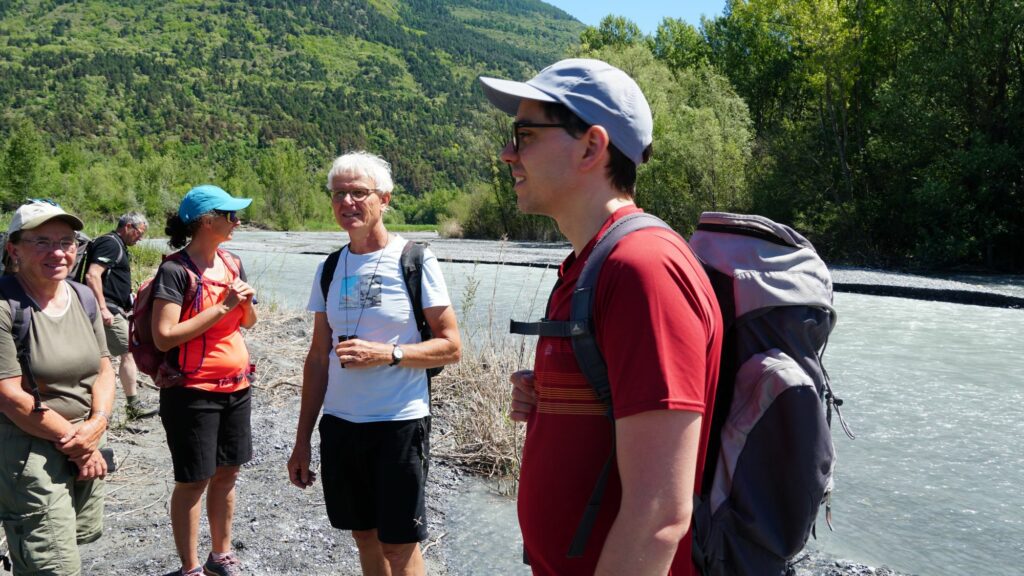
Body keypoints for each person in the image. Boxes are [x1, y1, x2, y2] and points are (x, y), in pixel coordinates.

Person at [478, 59, 723, 575]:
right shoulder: (588, 265)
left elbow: (659, 514)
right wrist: (555, 393)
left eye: (524, 135)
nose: (507, 153)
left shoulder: (643, 270)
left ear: (592, 146)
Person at [287, 152, 461, 576]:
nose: (348, 202)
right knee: (363, 535)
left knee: (398, 544)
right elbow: (317, 358)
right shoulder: (330, 267)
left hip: (399, 424)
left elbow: (451, 346)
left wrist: (390, 354)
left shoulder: (415, 260)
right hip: (341, 426)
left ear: (383, 200)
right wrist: (302, 439)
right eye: (339, 194)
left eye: (358, 193)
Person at [0, 199, 115, 575]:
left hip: (84, 435)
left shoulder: (82, 296)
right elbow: (10, 396)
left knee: (71, 542)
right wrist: (79, 445)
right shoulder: (5, 305)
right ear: (13, 249)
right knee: (54, 565)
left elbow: (103, 368)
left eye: (67, 241)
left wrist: (96, 424)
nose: (58, 252)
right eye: (42, 241)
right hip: (27, 447)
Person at [151, 185, 257, 576]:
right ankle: (190, 567)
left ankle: (220, 555)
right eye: (231, 216)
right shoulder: (175, 271)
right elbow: (164, 335)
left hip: (237, 386)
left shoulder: (232, 262)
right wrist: (225, 305)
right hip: (192, 392)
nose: (238, 221)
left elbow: (248, 323)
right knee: (194, 480)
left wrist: (243, 305)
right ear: (206, 221)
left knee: (228, 472)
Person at [83, 211, 155, 420]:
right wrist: (103, 308)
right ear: (128, 226)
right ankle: (133, 405)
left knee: (99, 358)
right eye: (139, 232)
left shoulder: (116, 244)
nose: (140, 238)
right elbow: (92, 275)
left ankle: (92, 407)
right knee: (128, 352)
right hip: (107, 311)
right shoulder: (111, 244)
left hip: (112, 308)